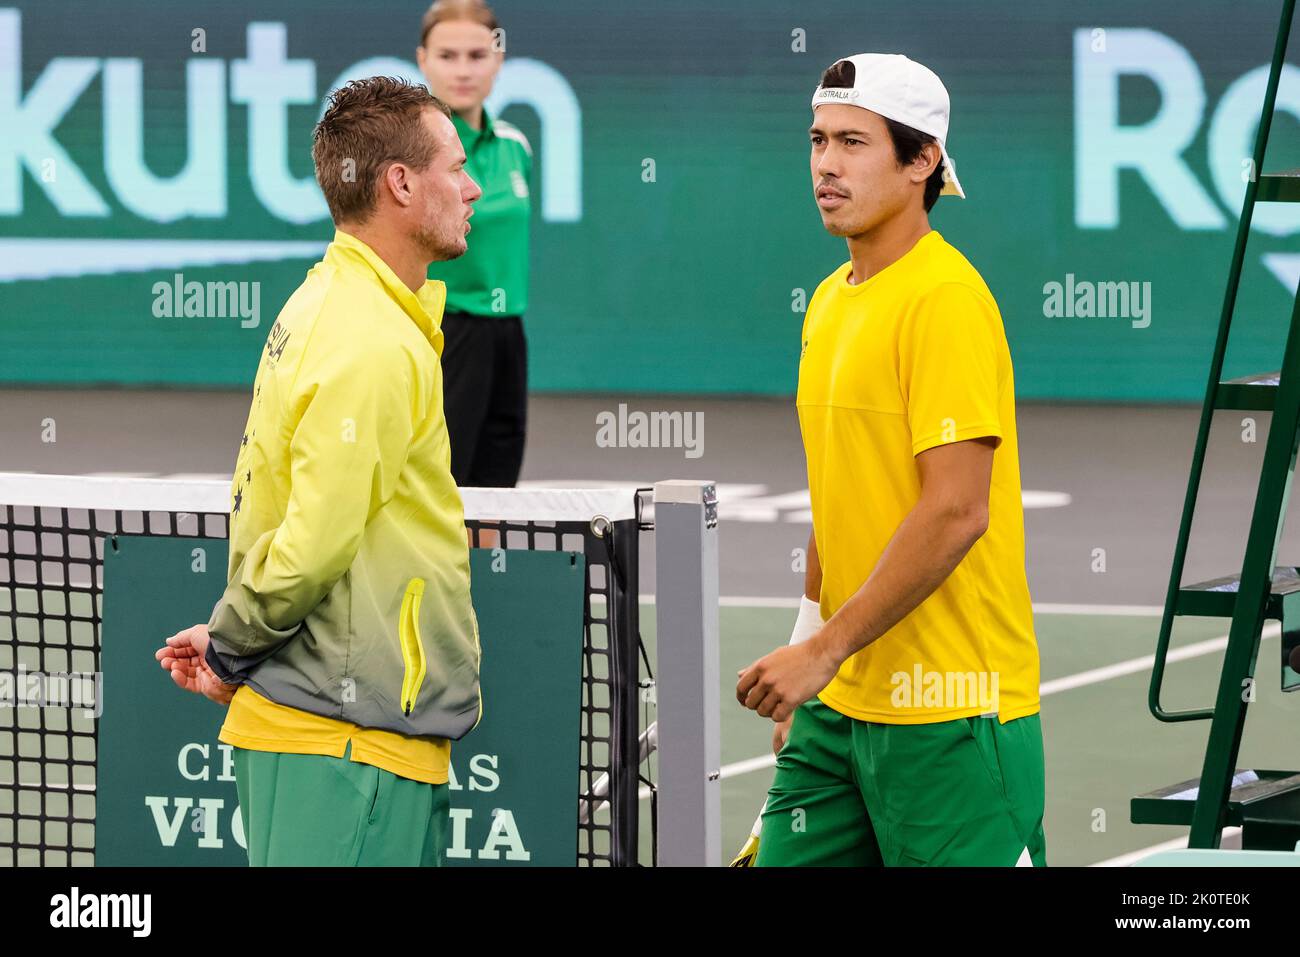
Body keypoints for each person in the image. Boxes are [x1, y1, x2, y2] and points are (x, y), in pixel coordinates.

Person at [154, 75, 484, 867]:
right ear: (401, 183)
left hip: (357, 746)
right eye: (457, 166)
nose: (473, 188)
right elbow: (312, 543)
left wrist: (233, 637)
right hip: (342, 751)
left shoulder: (338, 305)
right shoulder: (369, 337)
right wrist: (233, 647)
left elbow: (305, 524)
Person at [735, 54, 1047, 867]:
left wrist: (821, 651)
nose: (826, 164)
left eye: (853, 142)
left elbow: (956, 511)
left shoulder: (946, 300)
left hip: (953, 713)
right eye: (816, 140)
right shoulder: (830, 302)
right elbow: (836, 509)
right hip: (836, 712)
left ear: (922, 163)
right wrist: (809, 656)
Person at [417, 0, 532, 488]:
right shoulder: (412, 153)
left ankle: (482, 569)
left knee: (498, 488)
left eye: (476, 55)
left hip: (508, 333)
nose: (463, 70)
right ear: (422, 60)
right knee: (442, 484)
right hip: (442, 331)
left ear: (498, 60)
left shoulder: (515, 145)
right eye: (447, 56)